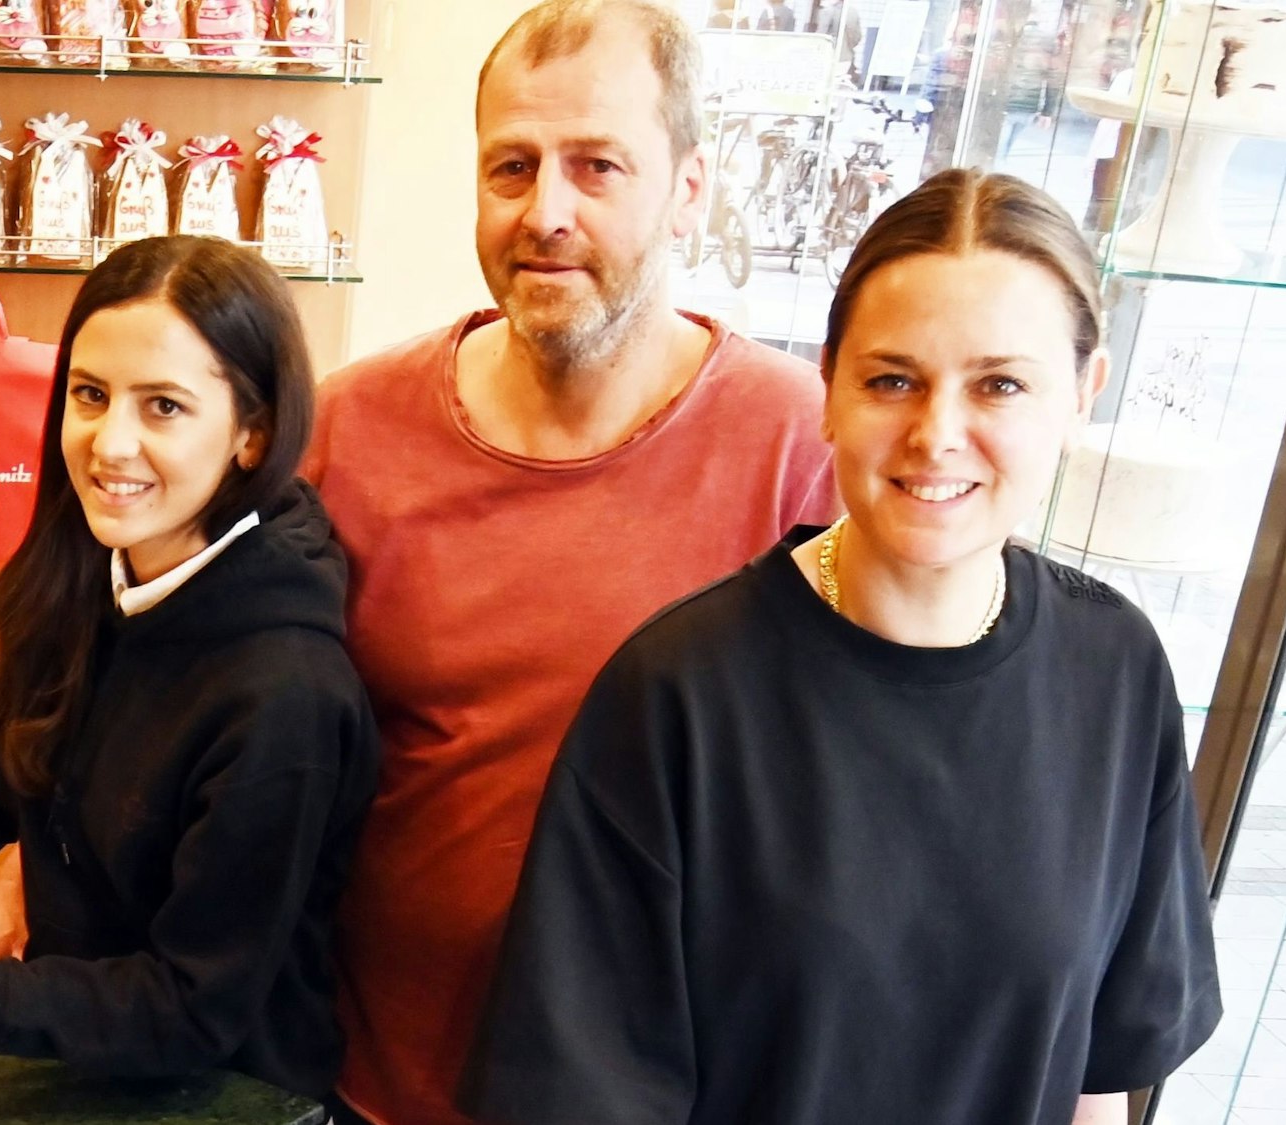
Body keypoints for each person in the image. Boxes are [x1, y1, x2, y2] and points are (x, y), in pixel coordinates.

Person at [461, 169, 1223, 1125]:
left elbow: (1098, 1073)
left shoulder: (1113, 668)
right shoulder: (679, 696)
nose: (937, 434)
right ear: (827, 387)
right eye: (893, 379)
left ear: (1082, 393)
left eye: (1001, 384)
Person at [302, 2, 835, 1122]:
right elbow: (195, 687)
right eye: (511, 168)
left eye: (597, 167)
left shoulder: (801, 447)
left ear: (688, 186)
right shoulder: (347, 429)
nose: (546, 212)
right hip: (373, 1080)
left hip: (673, 1092)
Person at [0, 235, 380, 1100]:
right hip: (90, 1048)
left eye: (164, 407)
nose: (111, 444)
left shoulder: (284, 695)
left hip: (227, 1091)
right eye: (91, 394)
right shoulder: (94, 576)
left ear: (252, 434)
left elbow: (189, 1006)